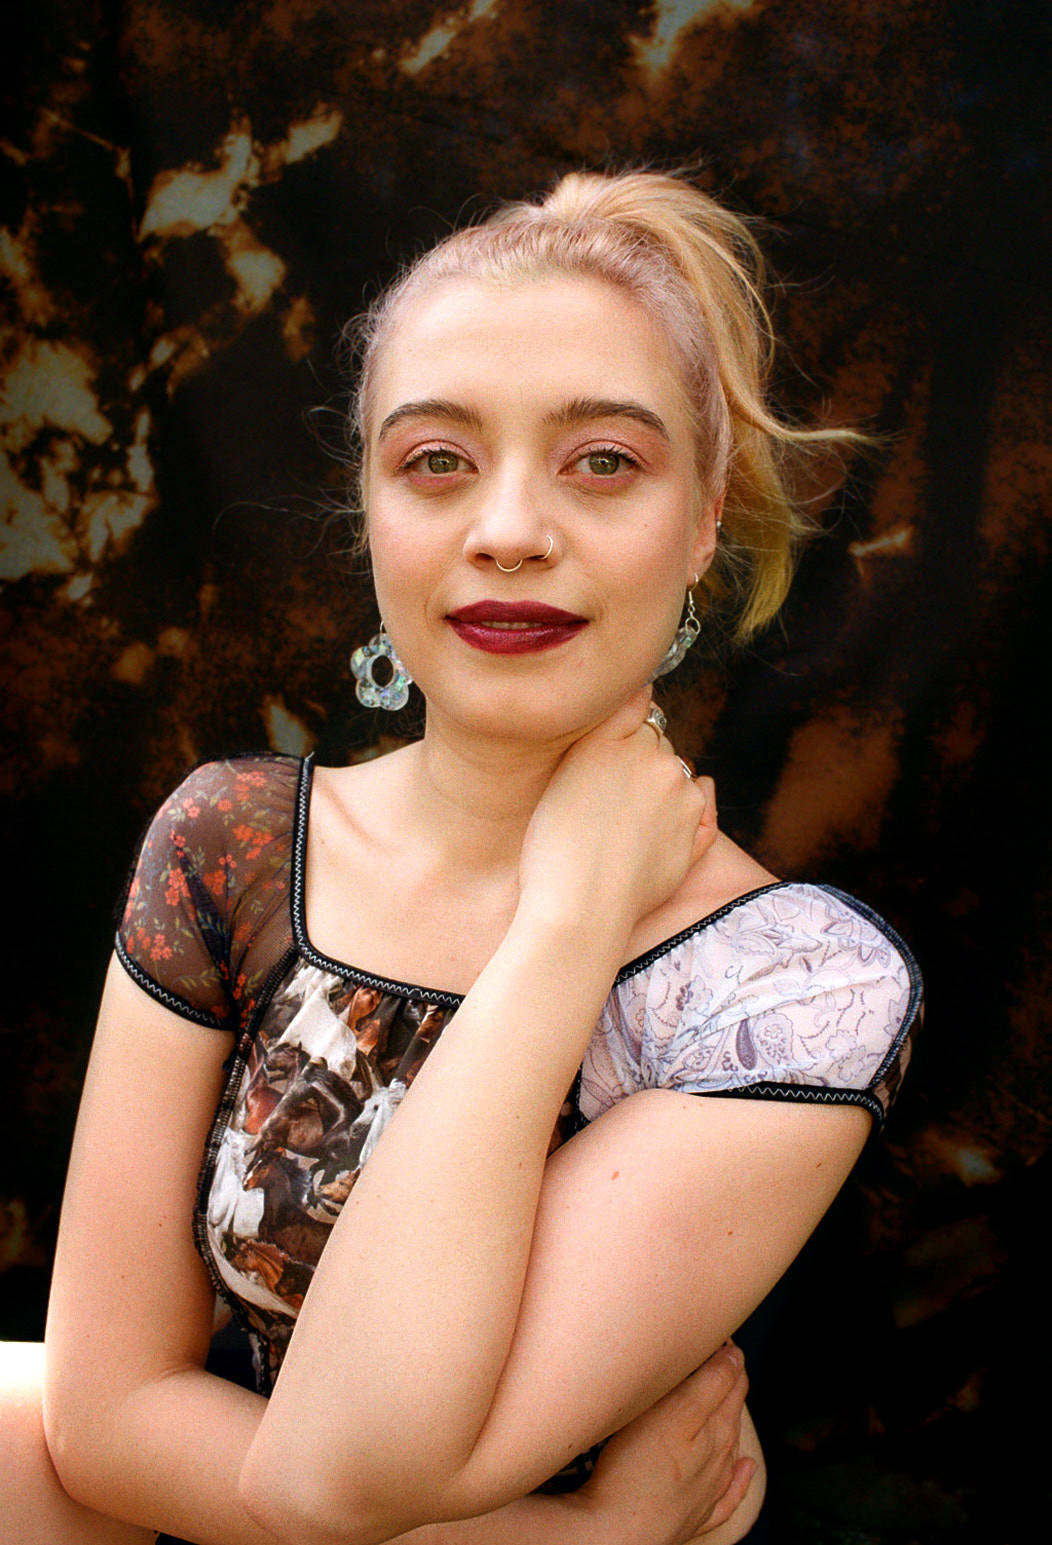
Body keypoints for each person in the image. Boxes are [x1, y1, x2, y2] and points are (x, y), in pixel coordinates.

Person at [1, 168, 920, 1544]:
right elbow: (106, 1415)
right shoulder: (229, 841)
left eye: (602, 461)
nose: (508, 533)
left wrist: (568, 926)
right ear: (372, 511)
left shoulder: (795, 988)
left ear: (704, 518)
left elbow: (335, 1471)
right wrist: (586, 1541)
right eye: (437, 460)